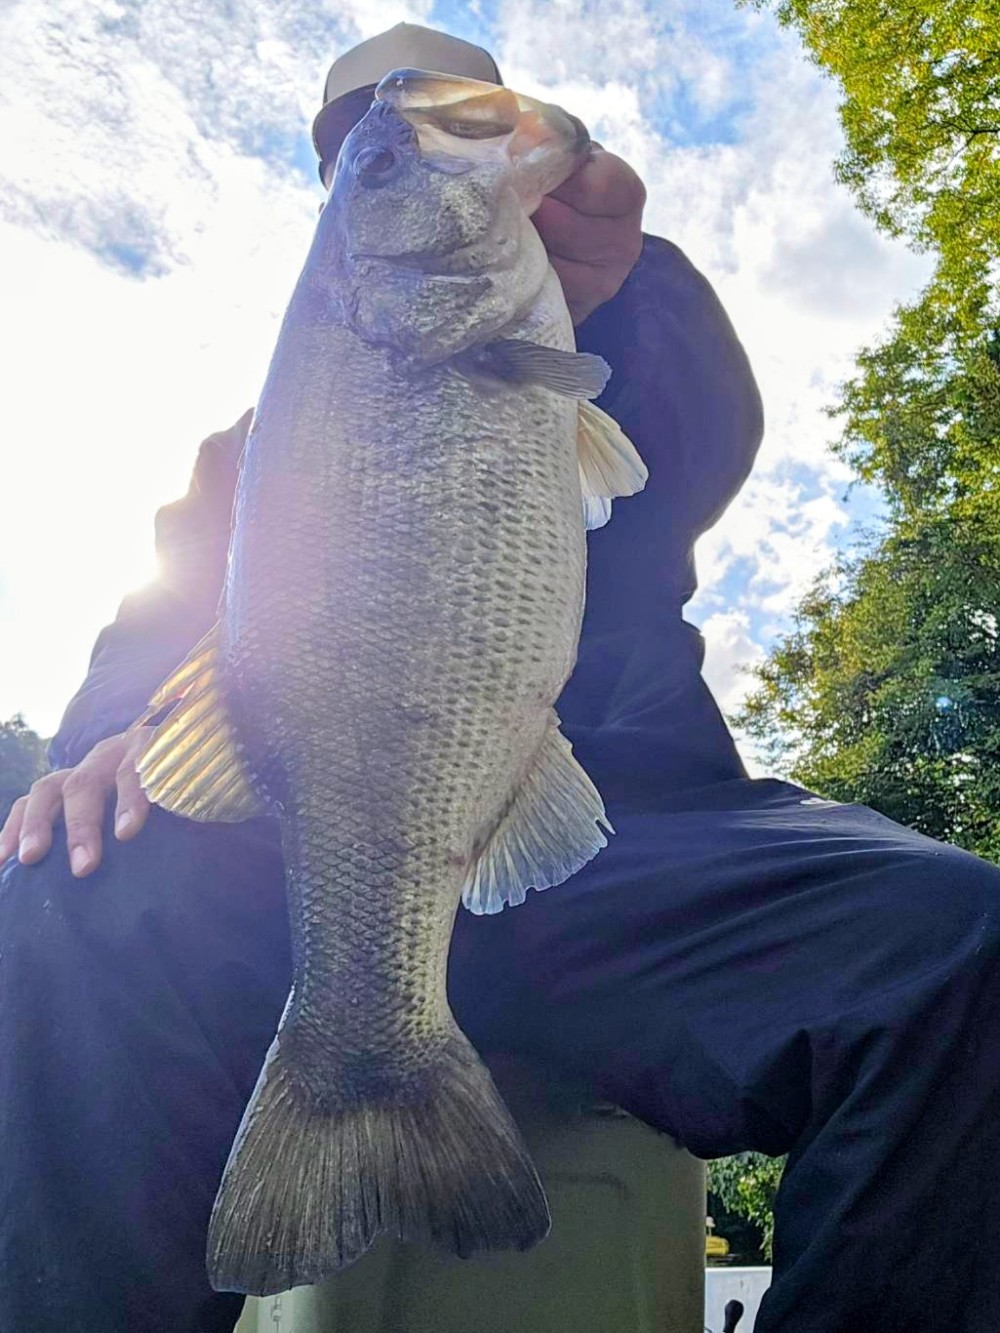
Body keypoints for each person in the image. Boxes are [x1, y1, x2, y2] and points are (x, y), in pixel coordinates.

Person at [1, 22, 998, 1333]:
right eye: (363, 154)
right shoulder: (251, 448)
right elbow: (156, 628)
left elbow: (699, 434)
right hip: (310, 860)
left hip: (630, 836)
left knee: (959, 945)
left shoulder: (594, 321)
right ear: (330, 197)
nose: (396, 147)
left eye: (445, 118)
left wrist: (625, 290)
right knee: (66, 898)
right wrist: (108, 735)